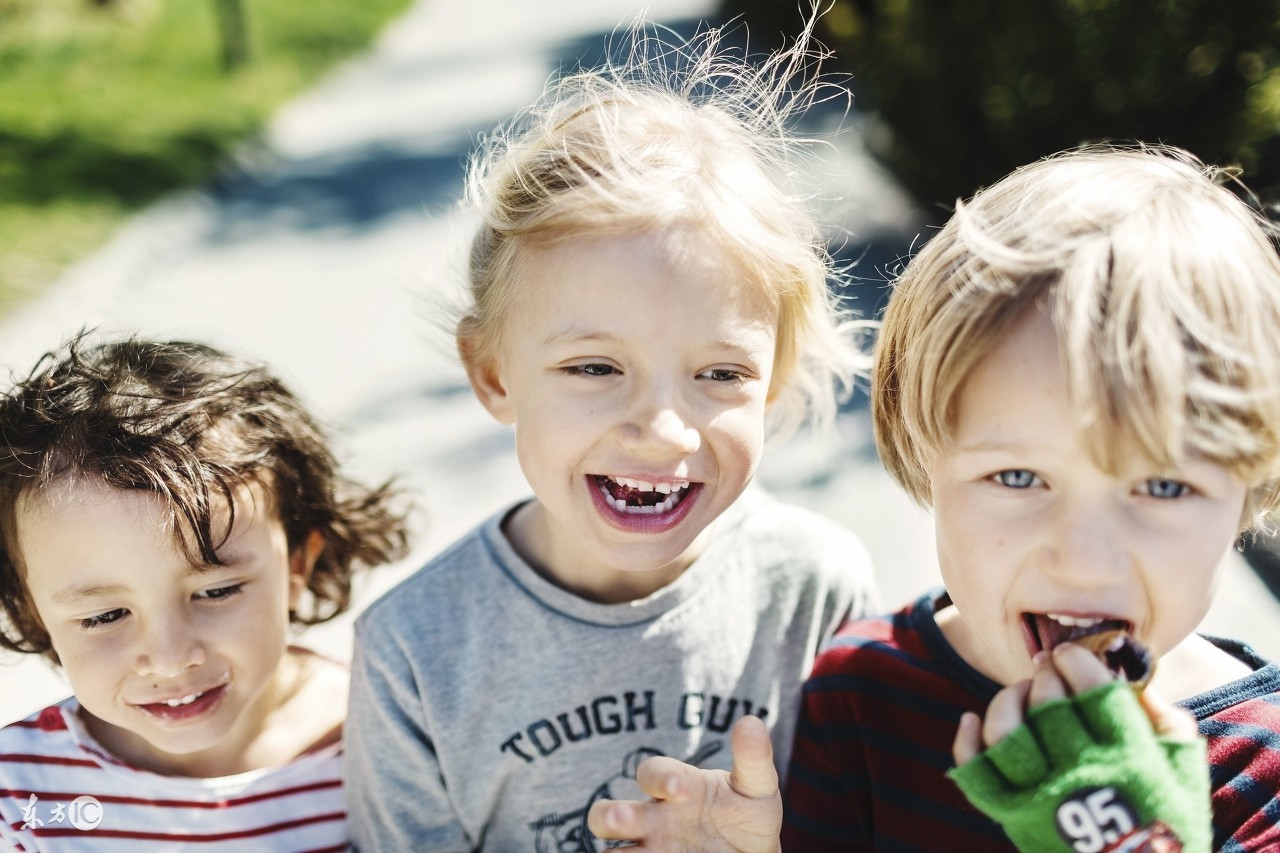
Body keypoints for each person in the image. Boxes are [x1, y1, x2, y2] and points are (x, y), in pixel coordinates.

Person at [586, 144, 1280, 851]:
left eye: (1162, 486)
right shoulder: (861, 694)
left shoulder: (1265, 770)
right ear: (926, 456)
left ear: (1253, 481)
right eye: (1017, 476)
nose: (1081, 556)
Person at [342, 16, 880, 853]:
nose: (664, 431)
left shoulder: (816, 593)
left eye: (720, 374)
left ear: (771, 383)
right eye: (595, 368)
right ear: (493, 375)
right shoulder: (415, 654)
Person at [0, 334, 409, 851]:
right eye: (104, 616)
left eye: (216, 592)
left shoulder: (393, 738)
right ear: (31, 611)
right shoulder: (22, 796)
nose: (171, 660)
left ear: (297, 565)